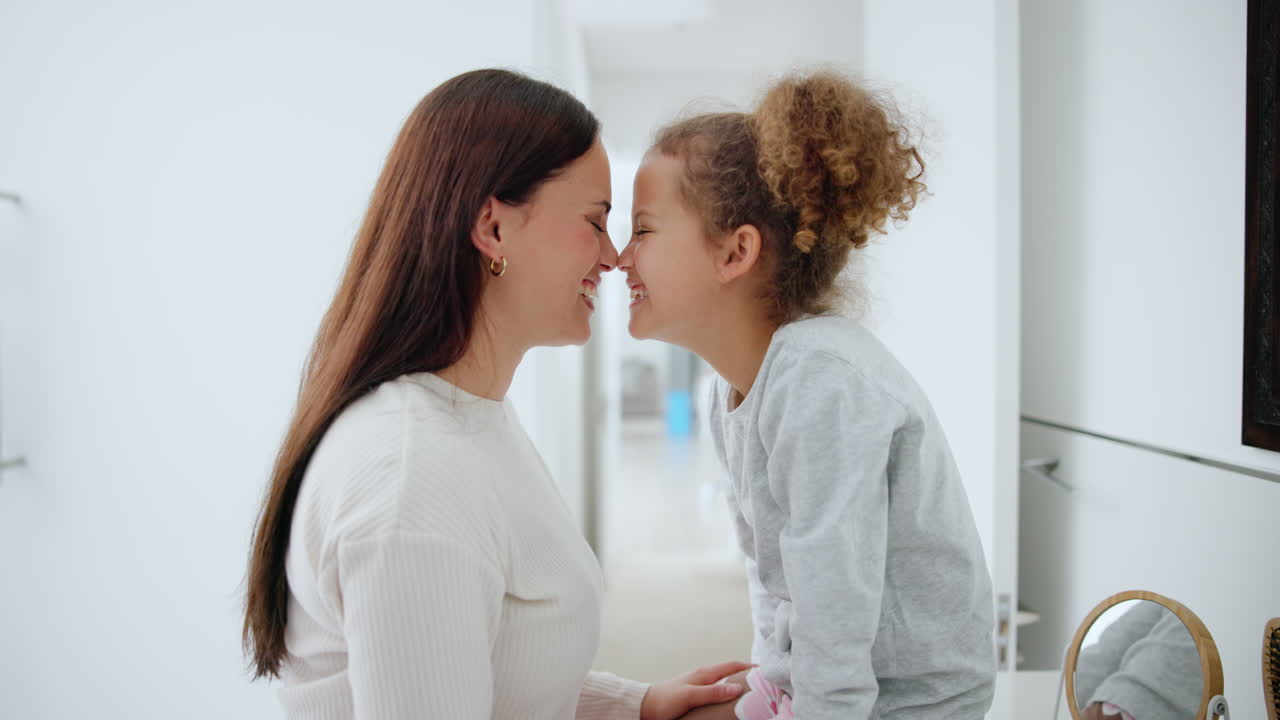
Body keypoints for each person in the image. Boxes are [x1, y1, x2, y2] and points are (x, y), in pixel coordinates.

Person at [242, 68, 750, 720]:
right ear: (494, 227)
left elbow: (497, 669)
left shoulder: (467, 422)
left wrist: (637, 704)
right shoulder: (412, 476)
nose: (613, 255)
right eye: (596, 221)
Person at [617, 70, 996, 719]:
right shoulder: (730, 390)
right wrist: (775, 675)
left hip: (912, 702)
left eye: (644, 230)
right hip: (826, 684)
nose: (622, 258)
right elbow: (775, 576)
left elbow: (835, 604)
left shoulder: (822, 381)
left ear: (735, 251)